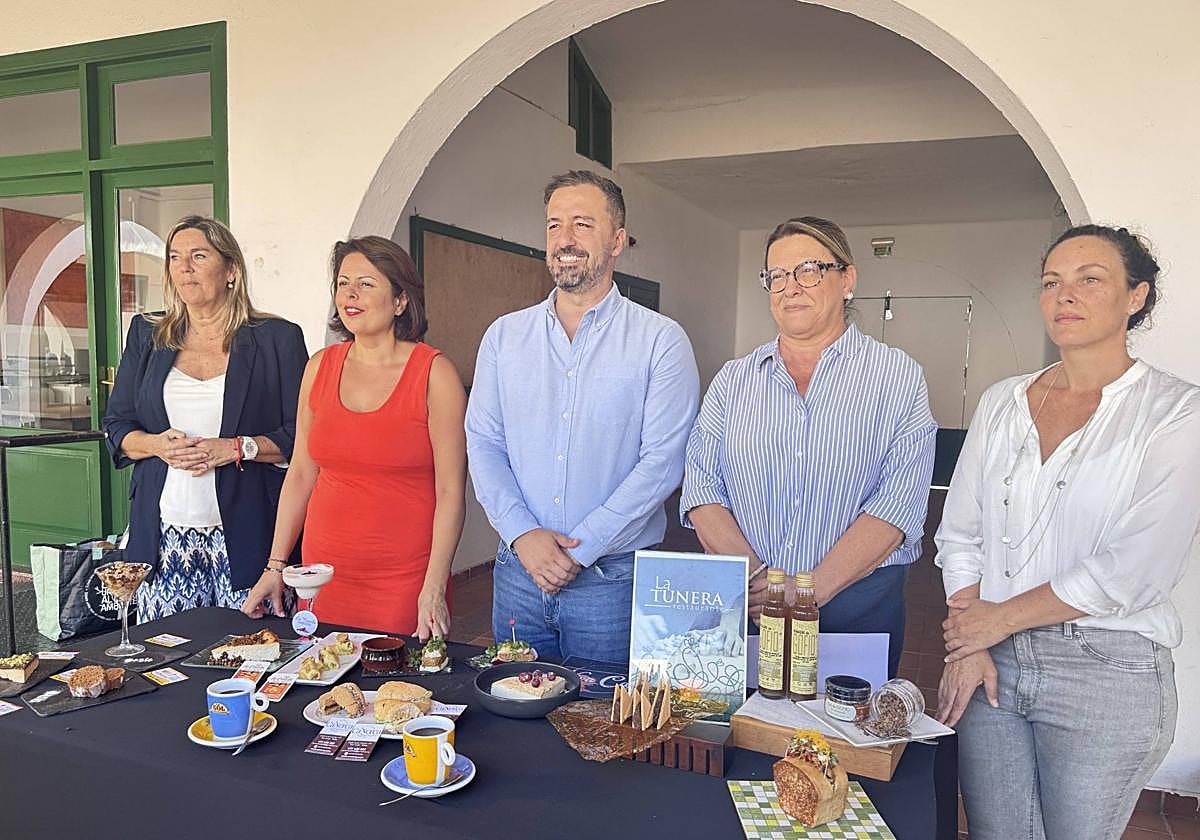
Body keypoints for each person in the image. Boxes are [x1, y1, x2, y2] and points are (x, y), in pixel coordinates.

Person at [935, 225, 1197, 840]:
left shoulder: (1175, 412)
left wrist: (994, 621)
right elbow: (960, 534)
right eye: (1052, 282)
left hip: (1106, 669)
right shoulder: (1003, 402)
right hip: (992, 662)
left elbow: (1134, 568)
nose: (1065, 295)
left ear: (1136, 296)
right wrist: (972, 642)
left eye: (1090, 279)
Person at [680, 217, 935, 677]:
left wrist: (809, 591)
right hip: (747, 608)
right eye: (776, 275)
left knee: (840, 742)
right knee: (742, 741)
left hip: (857, 606)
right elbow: (701, 490)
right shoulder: (733, 380)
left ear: (848, 279)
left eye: (808, 270)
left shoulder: (897, 377)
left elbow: (898, 505)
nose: (790, 287)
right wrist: (761, 582)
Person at [466, 170, 700, 663]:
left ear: (617, 241)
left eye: (581, 225)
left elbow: (663, 463)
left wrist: (578, 549)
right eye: (553, 226)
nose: (564, 240)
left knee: (607, 729)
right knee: (514, 726)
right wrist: (525, 536)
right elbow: (484, 443)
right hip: (518, 576)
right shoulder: (504, 337)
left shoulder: (660, 341)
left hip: (611, 583)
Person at [241, 236, 466, 640]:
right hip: (324, 578)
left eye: (366, 283)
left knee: (394, 693)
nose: (351, 294)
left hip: (404, 578)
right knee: (325, 688)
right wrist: (275, 567)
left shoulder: (434, 374)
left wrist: (434, 586)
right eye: (343, 283)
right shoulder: (319, 367)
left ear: (400, 300)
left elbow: (451, 490)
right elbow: (301, 474)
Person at [103, 216, 308, 619]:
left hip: (249, 537)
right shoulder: (147, 334)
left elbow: (301, 435)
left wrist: (238, 448)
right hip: (163, 540)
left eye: (199, 255)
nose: (185, 267)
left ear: (231, 270)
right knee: (166, 663)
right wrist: (158, 445)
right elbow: (116, 425)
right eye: (175, 258)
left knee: (251, 659)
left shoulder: (276, 339)